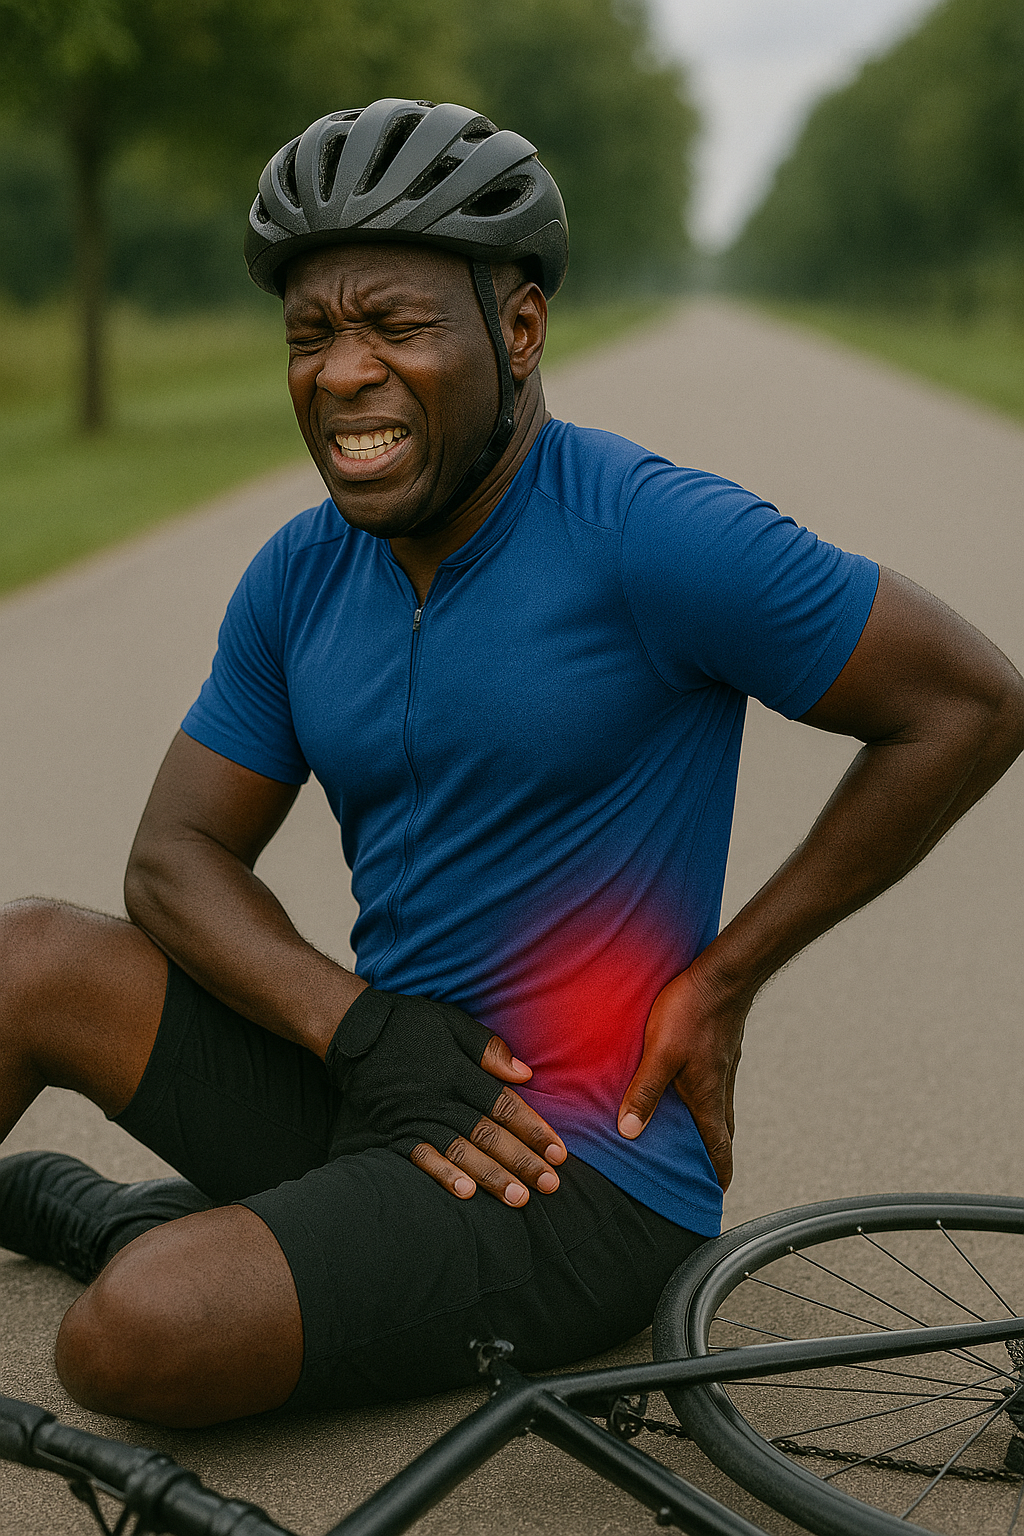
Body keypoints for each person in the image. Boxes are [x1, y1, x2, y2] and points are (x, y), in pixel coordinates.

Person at [1, 98, 1022, 1430]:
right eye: (310, 336)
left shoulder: (654, 534)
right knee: (29, 957)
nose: (342, 372)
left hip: (573, 1166)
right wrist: (355, 1028)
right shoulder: (302, 574)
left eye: (397, 325)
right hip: (380, 1081)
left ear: (519, 329)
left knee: (134, 1333)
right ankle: (167, 1219)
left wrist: (724, 980)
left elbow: (969, 703)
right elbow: (174, 862)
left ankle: (137, 1230)